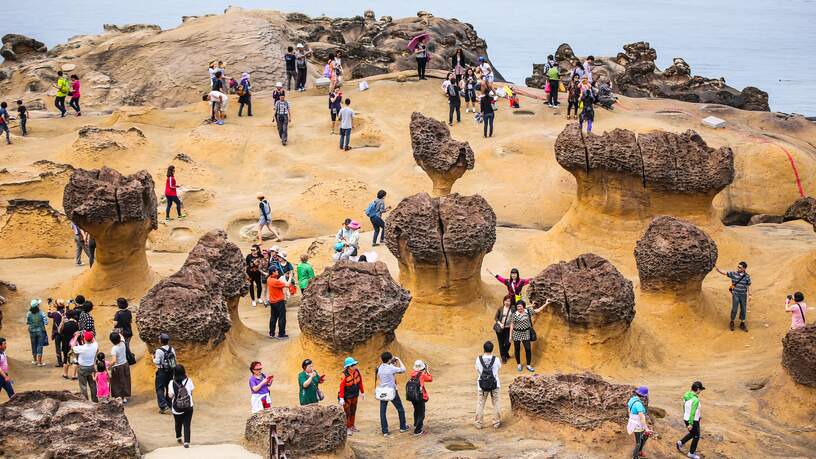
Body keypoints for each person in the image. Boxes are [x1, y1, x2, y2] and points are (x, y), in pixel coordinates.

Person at [508, 299, 550, 372]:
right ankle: (519, 364)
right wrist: (510, 336)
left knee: (528, 349)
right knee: (517, 349)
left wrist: (545, 304)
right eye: (518, 307)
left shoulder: (527, 311)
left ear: (523, 306)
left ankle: (528, 365)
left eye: (520, 306)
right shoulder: (514, 314)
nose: (519, 308)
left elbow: (538, 310)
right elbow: (512, 325)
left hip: (526, 332)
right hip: (517, 333)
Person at [377, 352, 409, 436]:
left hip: (383, 392)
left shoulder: (380, 367)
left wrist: (392, 364)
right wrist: (399, 360)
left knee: (382, 412)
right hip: (392, 392)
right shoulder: (391, 368)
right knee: (400, 409)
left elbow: (389, 371)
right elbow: (403, 369)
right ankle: (403, 427)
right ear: (389, 359)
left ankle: (385, 431)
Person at [715, 261, 751, 331]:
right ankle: (732, 321)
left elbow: (748, 286)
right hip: (735, 294)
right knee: (735, 308)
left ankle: (742, 323)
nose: (738, 268)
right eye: (738, 266)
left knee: (743, 309)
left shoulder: (747, 276)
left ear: (744, 269)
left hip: (743, 295)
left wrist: (750, 294)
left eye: (740, 267)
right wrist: (718, 269)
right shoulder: (734, 274)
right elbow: (725, 273)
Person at [475, 340, 501, 429]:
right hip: (495, 384)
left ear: (484, 349)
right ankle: (496, 423)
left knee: (480, 404)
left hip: (482, 384)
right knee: (496, 403)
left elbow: (477, 370)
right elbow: (498, 368)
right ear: (492, 349)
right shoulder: (496, 359)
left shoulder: (478, 359)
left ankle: (479, 423)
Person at [168, 364, 195, 448]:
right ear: (184, 372)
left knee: (178, 423)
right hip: (188, 406)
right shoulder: (189, 380)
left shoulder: (172, 382)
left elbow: (170, 395)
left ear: (174, 373)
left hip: (177, 408)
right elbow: (191, 392)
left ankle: (178, 437)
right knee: (187, 424)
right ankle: (187, 442)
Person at [676, 381, 705, 459]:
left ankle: (680, 442)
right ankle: (691, 453)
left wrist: (688, 416)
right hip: (692, 420)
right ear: (698, 389)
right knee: (696, 436)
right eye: (700, 389)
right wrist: (690, 423)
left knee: (692, 433)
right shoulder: (695, 400)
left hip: (686, 418)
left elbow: (684, 406)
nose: (701, 391)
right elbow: (692, 412)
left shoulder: (686, 395)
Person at [339, 356, 364, 435]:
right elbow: (342, 387)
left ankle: (352, 426)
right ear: (349, 367)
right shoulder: (344, 375)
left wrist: (362, 392)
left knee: (353, 410)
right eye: (353, 365)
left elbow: (360, 382)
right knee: (347, 412)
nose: (355, 366)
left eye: (355, 364)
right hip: (347, 396)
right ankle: (347, 427)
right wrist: (341, 398)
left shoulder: (357, 372)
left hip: (355, 395)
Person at [627, 386, 654, 459]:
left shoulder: (632, 399)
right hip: (638, 425)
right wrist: (647, 428)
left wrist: (631, 417)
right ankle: (635, 456)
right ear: (643, 396)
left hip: (634, 423)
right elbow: (642, 418)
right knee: (638, 442)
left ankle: (639, 451)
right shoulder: (638, 404)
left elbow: (629, 410)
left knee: (645, 437)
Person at [407, 360, 432, 436]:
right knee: (421, 413)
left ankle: (416, 423)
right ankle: (418, 430)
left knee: (416, 410)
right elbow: (430, 379)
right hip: (419, 396)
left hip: (412, 396)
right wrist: (427, 370)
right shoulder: (422, 374)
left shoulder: (412, 373)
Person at [73, 330, 99, 402]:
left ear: (84, 339)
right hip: (91, 367)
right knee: (93, 385)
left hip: (82, 368)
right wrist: (90, 334)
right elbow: (94, 340)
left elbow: (72, 345)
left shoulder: (82, 348)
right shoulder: (95, 345)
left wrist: (76, 336)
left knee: (83, 386)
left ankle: (86, 402)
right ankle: (95, 401)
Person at [153, 332, 176, 414]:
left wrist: (153, 358)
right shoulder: (171, 349)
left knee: (159, 388)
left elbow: (157, 362)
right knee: (169, 387)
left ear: (161, 341)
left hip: (162, 371)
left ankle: (163, 406)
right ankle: (169, 404)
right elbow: (174, 360)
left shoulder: (159, 351)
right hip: (170, 371)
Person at [108, 332, 131, 403]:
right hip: (125, 364)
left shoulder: (114, 349)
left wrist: (108, 365)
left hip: (117, 367)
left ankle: (119, 397)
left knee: (116, 383)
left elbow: (114, 361)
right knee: (125, 381)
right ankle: (124, 397)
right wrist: (117, 332)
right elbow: (122, 337)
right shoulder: (123, 343)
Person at [267, 271, 290, 339]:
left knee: (273, 317)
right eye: (276, 270)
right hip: (279, 302)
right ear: (273, 272)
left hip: (272, 302)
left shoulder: (269, 279)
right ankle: (281, 334)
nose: (277, 271)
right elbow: (287, 285)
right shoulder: (276, 282)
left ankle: (271, 333)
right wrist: (290, 276)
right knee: (282, 318)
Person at [26, 299, 48, 366]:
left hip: (32, 331)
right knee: (39, 346)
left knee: (33, 345)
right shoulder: (41, 313)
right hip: (40, 331)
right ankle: (39, 362)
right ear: (37, 306)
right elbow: (46, 322)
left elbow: (27, 322)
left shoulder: (29, 313)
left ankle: (35, 361)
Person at [60, 309, 80, 380]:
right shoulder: (76, 324)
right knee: (75, 358)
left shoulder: (65, 324)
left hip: (65, 343)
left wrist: (62, 321)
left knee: (66, 358)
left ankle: (65, 374)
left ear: (67, 316)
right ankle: (74, 375)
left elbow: (60, 331)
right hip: (74, 344)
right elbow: (78, 333)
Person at [493, 295, 514, 363]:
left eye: (509, 301)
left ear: (511, 302)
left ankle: (505, 353)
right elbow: (496, 318)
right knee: (501, 343)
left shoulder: (513, 308)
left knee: (508, 343)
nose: (507, 302)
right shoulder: (500, 309)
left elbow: (521, 308)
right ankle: (503, 357)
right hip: (500, 328)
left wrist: (530, 306)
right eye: (506, 301)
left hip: (508, 329)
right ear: (504, 301)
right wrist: (500, 323)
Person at [47, 299, 66, 367]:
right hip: (65, 333)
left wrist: (49, 306)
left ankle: (60, 362)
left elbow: (49, 314)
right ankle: (65, 361)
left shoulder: (55, 314)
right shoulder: (66, 312)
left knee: (58, 347)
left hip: (57, 333)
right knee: (65, 347)